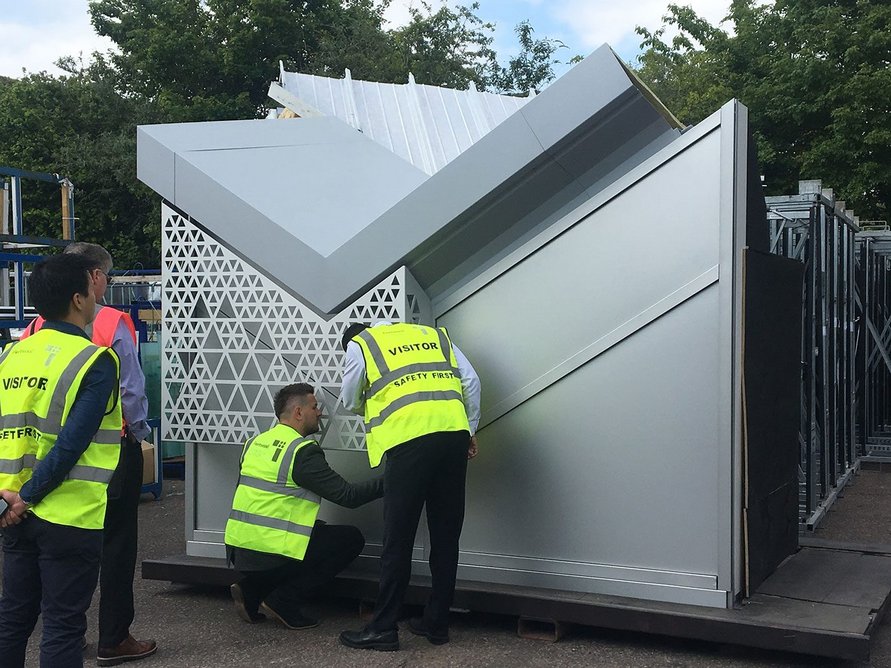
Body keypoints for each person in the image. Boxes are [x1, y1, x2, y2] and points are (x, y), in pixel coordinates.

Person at [21, 242, 156, 665]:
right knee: (116, 545)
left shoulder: (32, 330)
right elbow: (131, 391)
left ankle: (63, 633)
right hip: (108, 453)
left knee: (47, 553)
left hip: (45, 458)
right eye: (107, 279)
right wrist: (138, 432)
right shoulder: (114, 321)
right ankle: (113, 637)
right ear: (92, 279)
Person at [0, 254, 122, 668]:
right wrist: (30, 496)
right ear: (78, 299)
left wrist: (11, 500)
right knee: (63, 626)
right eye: (91, 289)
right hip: (69, 515)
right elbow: (71, 445)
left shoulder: (10, 356)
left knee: (13, 619)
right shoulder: (94, 360)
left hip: (11, 511)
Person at [338, 321, 481, 651]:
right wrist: (470, 429)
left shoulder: (362, 345)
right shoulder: (432, 336)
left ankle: (384, 628)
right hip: (452, 437)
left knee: (397, 538)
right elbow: (471, 382)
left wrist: (369, 401)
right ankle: (437, 623)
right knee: (446, 536)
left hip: (409, 442)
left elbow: (348, 398)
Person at [224, 382, 384, 629]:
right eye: (314, 406)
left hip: (240, 551)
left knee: (313, 532)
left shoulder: (254, 443)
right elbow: (349, 496)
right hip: (270, 552)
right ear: (298, 413)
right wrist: (396, 477)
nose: (319, 412)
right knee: (350, 539)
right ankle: (284, 601)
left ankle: (251, 589)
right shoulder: (301, 452)